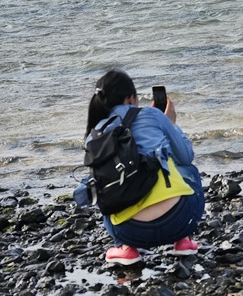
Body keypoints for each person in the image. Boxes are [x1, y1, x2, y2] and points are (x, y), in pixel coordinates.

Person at [74, 70, 205, 265]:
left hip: (128, 231)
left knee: (104, 186)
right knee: (186, 169)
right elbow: (186, 156)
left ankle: (126, 249)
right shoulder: (152, 114)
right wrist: (170, 123)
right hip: (178, 220)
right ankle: (184, 240)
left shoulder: (95, 135)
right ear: (130, 99)